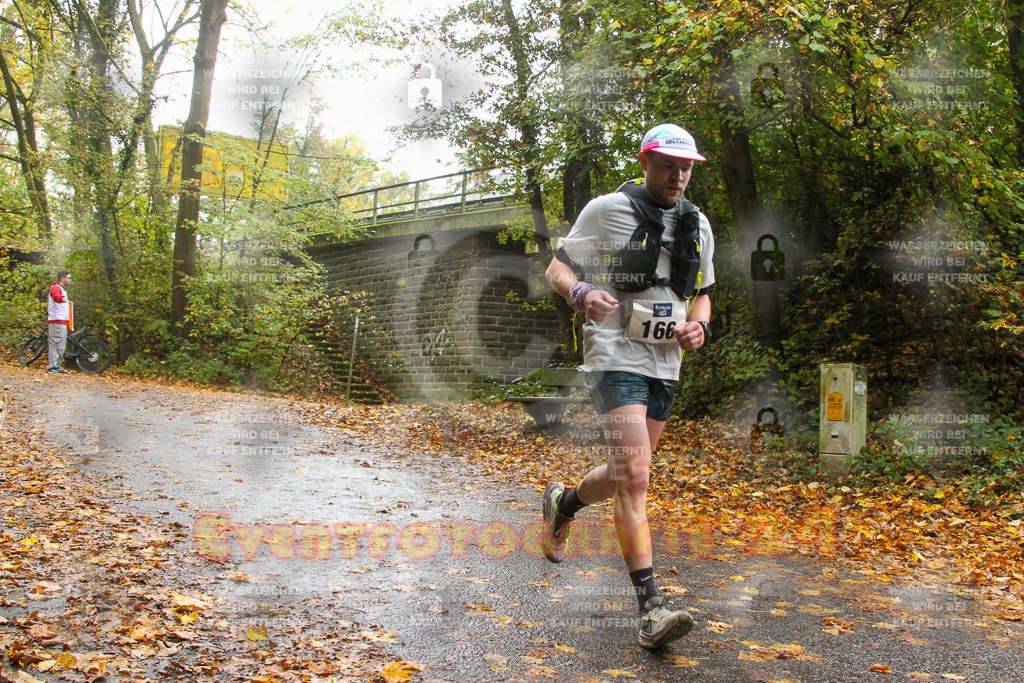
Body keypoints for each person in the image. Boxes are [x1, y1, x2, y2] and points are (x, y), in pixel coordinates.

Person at [542, 123, 714, 649]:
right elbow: (556, 269)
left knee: (624, 473)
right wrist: (582, 293)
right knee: (637, 475)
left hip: (665, 361)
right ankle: (651, 609)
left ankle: (564, 503)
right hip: (614, 352)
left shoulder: (699, 224)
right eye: (669, 165)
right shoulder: (603, 210)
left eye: (686, 167)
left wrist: (700, 327)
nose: (679, 176)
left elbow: (704, 294)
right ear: (646, 162)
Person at [47, 271, 72, 375]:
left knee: (60, 345)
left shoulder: (61, 289)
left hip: (61, 321)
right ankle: (53, 367)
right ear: (62, 278)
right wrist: (61, 298)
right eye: (69, 278)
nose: (70, 280)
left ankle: (56, 366)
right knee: (56, 343)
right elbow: (56, 296)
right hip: (57, 321)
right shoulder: (56, 288)